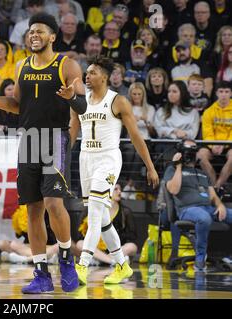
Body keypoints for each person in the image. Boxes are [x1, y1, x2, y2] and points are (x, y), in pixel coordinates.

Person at [0, 12, 83, 294]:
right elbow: (17, 106)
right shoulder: (22, 66)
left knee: (53, 203)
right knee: (33, 210)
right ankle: (41, 274)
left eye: (39, 31)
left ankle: (65, 258)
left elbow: (82, 104)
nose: (33, 35)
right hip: (28, 140)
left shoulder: (67, 65)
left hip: (55, 138)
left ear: (52, 36)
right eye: (30, 32)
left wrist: (72, 101)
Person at [69, 55, 159, 286]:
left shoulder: (118, 101)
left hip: (108, 159)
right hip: (85, 158)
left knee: (95, 213)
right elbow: (72, 132)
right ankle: (122, 265)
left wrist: (150, 166)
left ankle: (82, 266)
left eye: (92, 72)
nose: (87, 76)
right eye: (86, 72)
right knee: (101, 219)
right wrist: (60, 161)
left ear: (105, 77)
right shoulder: (80, 100)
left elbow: (136, 137)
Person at [164, 139, 232, 271]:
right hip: (188, 209)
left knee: (220, 214)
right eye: (187, 151)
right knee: (203, 217)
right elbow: (173, 190)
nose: (190, 154)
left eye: (192, 151)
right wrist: (178, 166)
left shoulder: (202, 173)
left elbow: (212, 195)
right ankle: (200, 259)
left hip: (209, 208)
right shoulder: (171, 170)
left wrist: (220, 205)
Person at [75, 184, 138, 265]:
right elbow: (80, 233)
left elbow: (132, 235)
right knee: (80, 244)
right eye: (116, 189)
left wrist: (114, 236)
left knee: (132, 246)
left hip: (115, 248)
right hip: (96, 249)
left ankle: (101, 260)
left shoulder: (125, 211)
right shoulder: (90, 209)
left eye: (120, 189)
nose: (119, 191)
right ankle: (112, 261)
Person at [197, 82, 232, 190]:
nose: (224, 94)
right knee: (200, 155)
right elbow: (207, 132)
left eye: (226, 92)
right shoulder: (208, 111)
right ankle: (213, 186)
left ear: (231, 93)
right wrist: (213, 145)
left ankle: (218, 186)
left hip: (229, 144)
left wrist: (224, 145)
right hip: (212, 144)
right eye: (221, 91)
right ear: (216, 93)